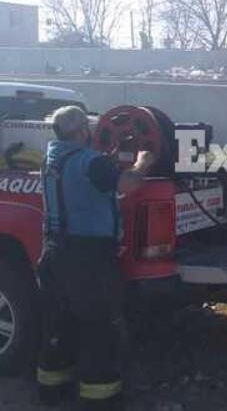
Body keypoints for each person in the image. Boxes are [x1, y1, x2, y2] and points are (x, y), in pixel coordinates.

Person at [36, 105, 155, 410]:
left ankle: (51, 389)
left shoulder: (52, 157)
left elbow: (87, 179)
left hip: (53, 253)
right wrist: (142, 163)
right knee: (98, 327)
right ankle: (100, 398)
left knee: (58, 322)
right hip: (87, 258)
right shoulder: (90, 162)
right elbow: (127, 184)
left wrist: (108, 162)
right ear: (81, 131)